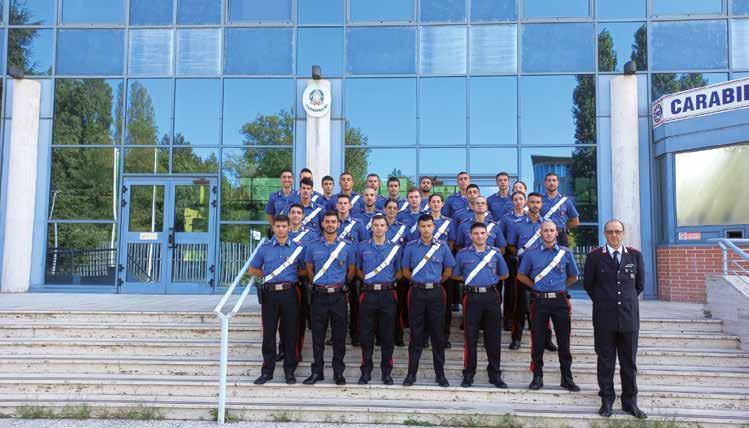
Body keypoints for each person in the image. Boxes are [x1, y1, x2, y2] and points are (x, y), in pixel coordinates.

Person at [584, 220, 647, 419]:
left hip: (629, 318)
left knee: (629, 364)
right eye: (610, 232)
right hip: (604, 319)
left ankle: (630, 403)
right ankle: (607, 401)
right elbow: (588, 285)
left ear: (623, 233)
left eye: (617, 231)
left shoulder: (635, 255)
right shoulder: (595, 257)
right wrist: (605, 302)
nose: (614, 235)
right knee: (605, 362)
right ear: (605, 234)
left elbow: (639, 285)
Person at [517, 220, 580, 392]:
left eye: (552, 230)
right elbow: (521, 275)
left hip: (560, 301)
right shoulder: (531, 254)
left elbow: (573, 276)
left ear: (557, 233)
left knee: (564, 341)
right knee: (537, 341)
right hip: (539, 301)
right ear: (540, 233)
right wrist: (536, 287)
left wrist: (559, 287)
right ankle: (537, 377)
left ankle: (567, 378)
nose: (549, 233)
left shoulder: (566, 253)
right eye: (545, 230)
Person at [248, 215, 305, 385]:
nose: (281, 229)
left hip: (290, 293)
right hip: (270, 295)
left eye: (284, 226)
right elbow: (252, 269)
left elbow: (304, 270)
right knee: (269, 334)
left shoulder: (298, 248)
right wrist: (269, 275)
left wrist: (290, 275)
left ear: (289, 228)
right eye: (278, 226)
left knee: (290, 334)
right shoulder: (264, 248)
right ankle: (267, 372)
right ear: (273, 228)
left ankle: (290, 371)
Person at [452, 222, 509, 388]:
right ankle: (469, 373)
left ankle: (495, 374)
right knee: (470, 337)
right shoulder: (462, 255)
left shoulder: (495, 253)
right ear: (471, 236)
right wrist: (473, 280)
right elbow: (456, 275)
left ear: (487, 235)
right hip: (472, 297)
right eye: (476, 233)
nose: (479, 236)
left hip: (491, 296)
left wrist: (489, 280)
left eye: (482, 233)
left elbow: (504, 274)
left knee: (494, 337)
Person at [401, 214, 456, 387]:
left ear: (433, 227)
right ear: (419, 228)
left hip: (436, 293)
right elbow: (405, 270)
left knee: (437, 335)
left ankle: (440, 375)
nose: (426, 229)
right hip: (417, 292)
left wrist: (436, 281)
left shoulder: (442, 246)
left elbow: (448, 270)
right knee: (415, 334)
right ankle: (411, 374)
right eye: (423, 226)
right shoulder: (411, 247)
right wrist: (418, 281)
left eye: (429, 226)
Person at [303, 211, 357, 386]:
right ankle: (317, 372)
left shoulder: (347, 246)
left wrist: (339, 284)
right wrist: (319, 284)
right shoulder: (312, 246)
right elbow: (309, 268)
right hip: (319, 296)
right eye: (327, 221)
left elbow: (351, 271)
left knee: (339, 337)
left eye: (334, 222)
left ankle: (338, 372)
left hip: (339, 296)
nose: (330, 224)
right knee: (317, 336)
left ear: (338, 224)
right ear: (322, 224)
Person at [356, 214, 402, 385]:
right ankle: (366, 371)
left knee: (387, 335)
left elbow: (399, 272)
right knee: (366, 335)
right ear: (372, 227)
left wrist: (386, 282)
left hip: (387, 295)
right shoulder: (362, 247)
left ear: (386, 227)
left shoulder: (395, 248)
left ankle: (386, 372)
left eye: (382, 225)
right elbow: (358, 269)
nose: (379, 228)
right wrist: (370, 281)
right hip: (368, 294)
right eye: (376, 225)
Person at [334, 194, 368, 346]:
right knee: (336, 307)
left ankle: (355, 333)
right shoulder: (331, 222)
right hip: (335, 270)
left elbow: (364, 245)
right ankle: (336, 335)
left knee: (356, 305)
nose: (342, 206)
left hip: (353, 268)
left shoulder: (357, 224)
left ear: (350, 206)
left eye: (345, 203)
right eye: (340, 203)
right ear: (336, 206)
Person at [384, 199, 410, 347]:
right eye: (389, 207)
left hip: (399, 271)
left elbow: (409, 248)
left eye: (394, 208)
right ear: (385, 209)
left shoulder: (404, 228)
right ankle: (381, 336)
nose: (392, 210)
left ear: (398, 210)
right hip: (382, 272)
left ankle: (398, 335)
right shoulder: (378, 226)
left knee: (398, 306)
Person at [540, 172, 580, 247]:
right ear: (545, 183)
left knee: (561, 254)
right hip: (543, 236)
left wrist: (561, 227)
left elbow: (575, 221)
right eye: (549, 180)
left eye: (554, 180)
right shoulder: (539, 200)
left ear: (558, 183)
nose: (551, 183)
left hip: (561, 236)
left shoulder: (566, 201)